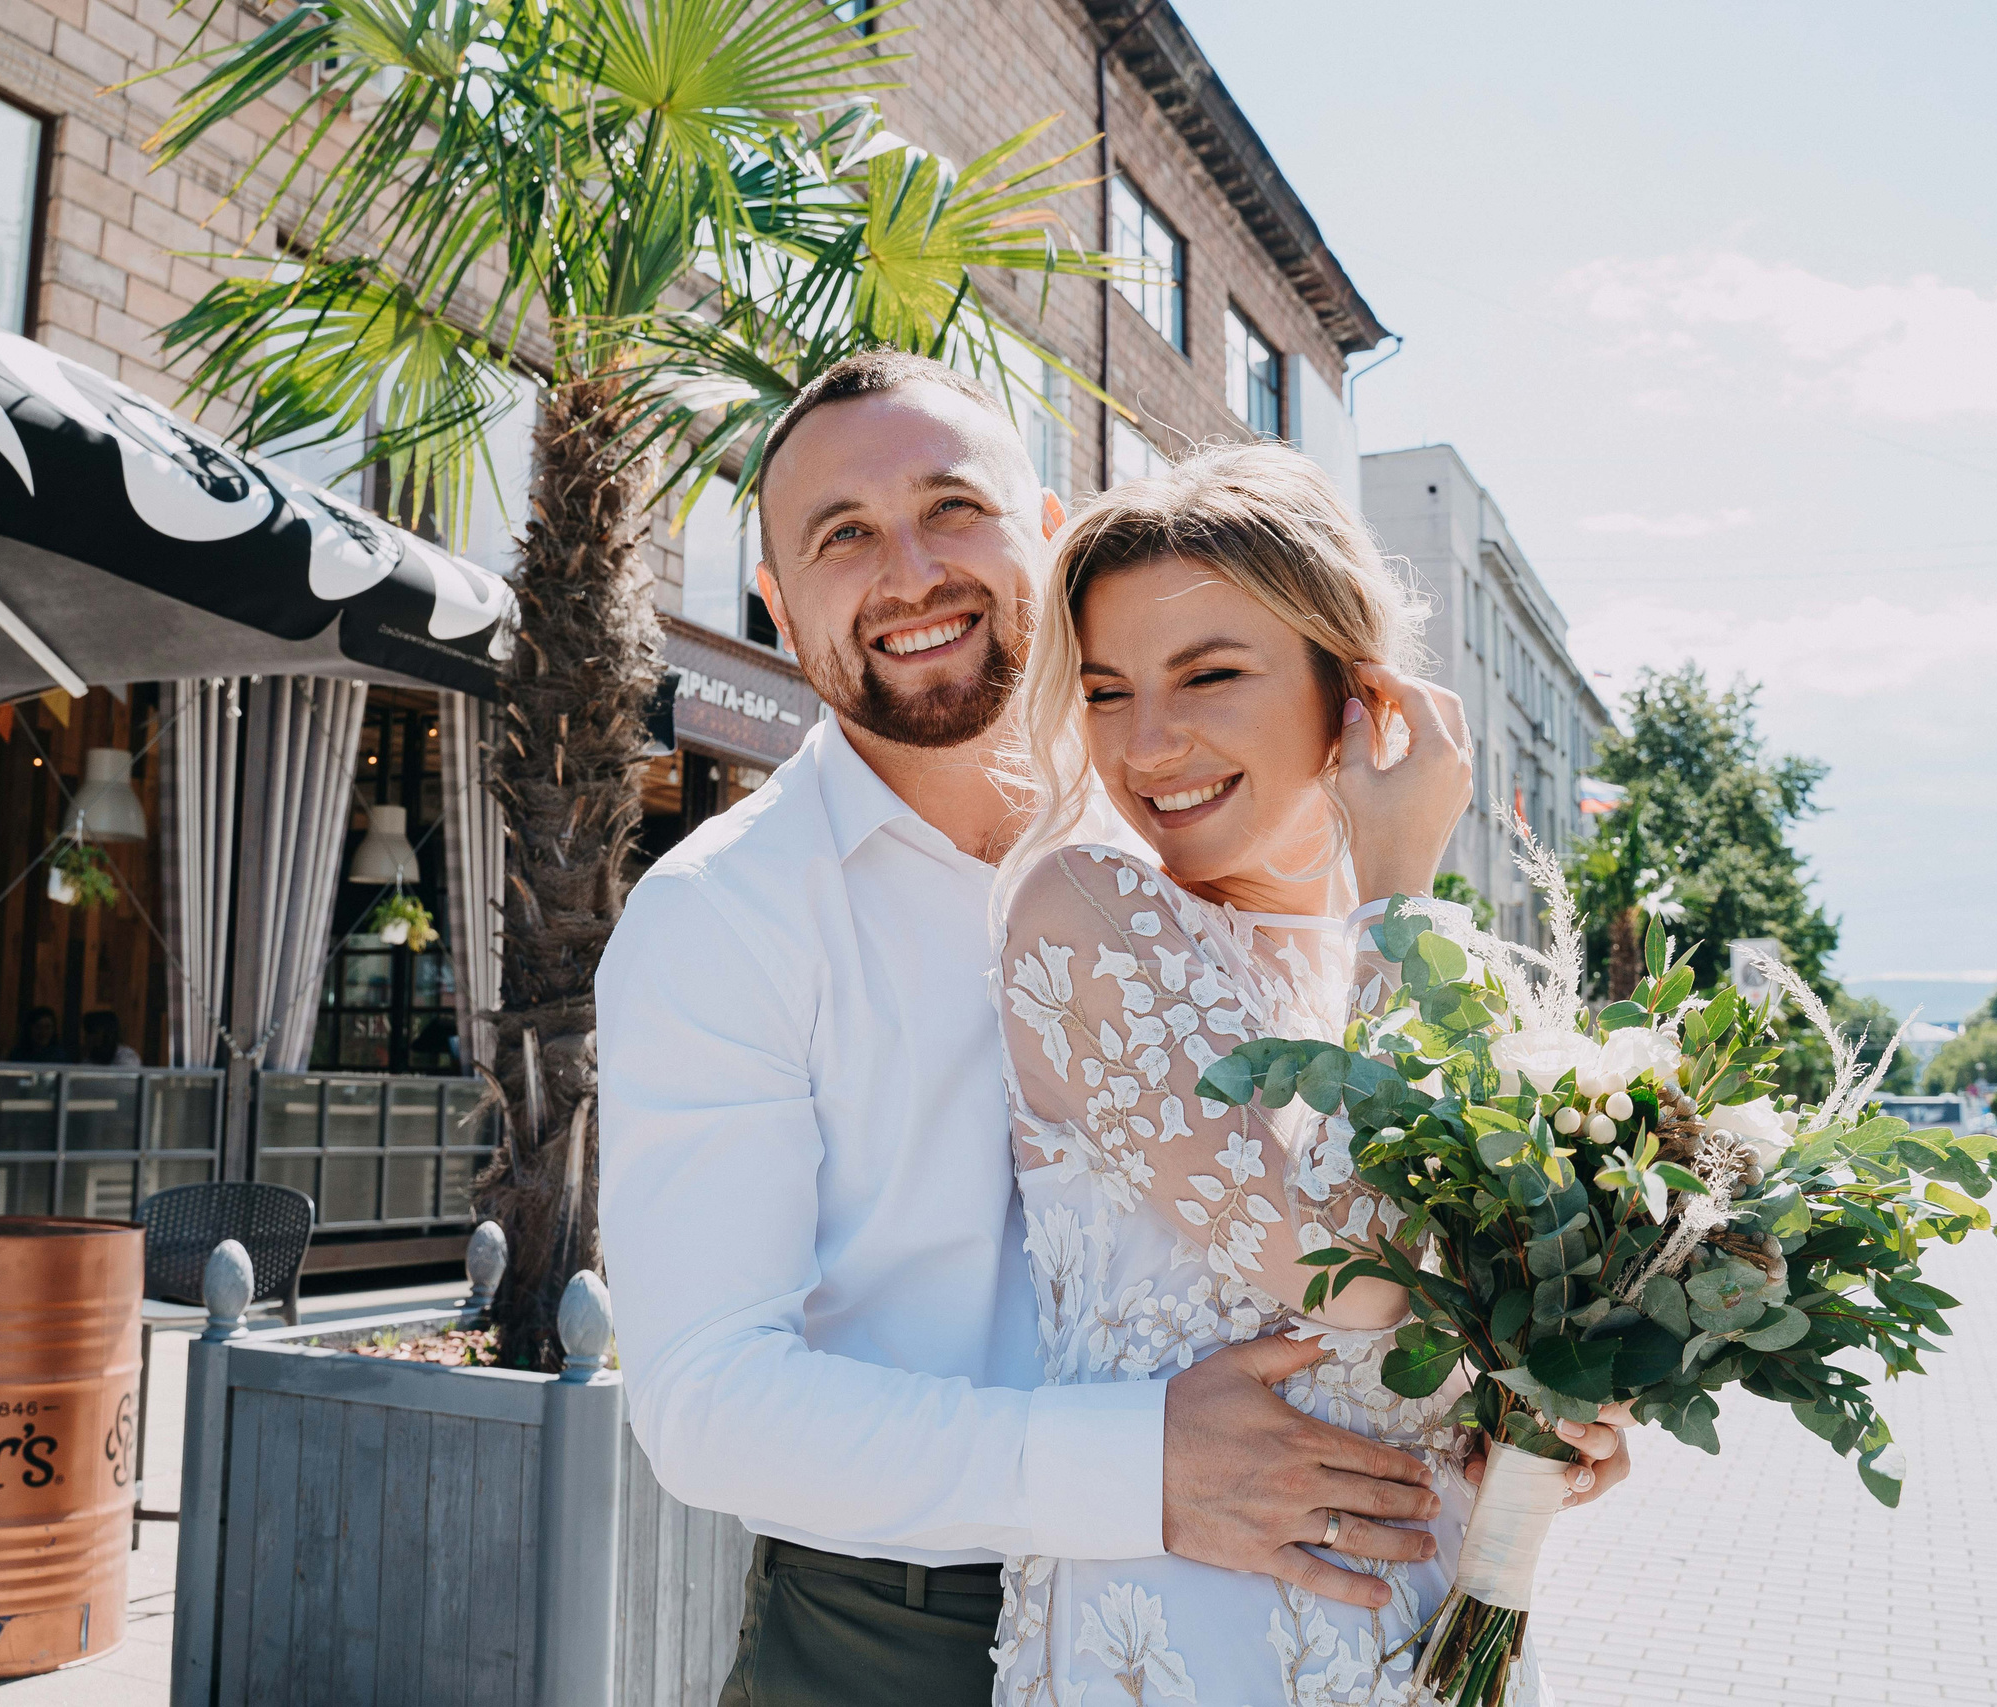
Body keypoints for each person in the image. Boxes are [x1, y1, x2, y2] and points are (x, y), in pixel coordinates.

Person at [595, 353, 1629, 1707]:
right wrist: (1136, 1464)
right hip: (893, 1629)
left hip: (1309, 1586)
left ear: (1045, 533)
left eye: (950, 506)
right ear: (779, 604)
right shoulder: (720, 913)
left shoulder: (1188, 831)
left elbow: (1359, 1239)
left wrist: (1524, 1389)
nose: (907, 570)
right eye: (842, 535)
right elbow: (708, 1405)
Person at [991, 441, 1560, 1701]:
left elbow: (1464, 1319)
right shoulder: (1086, 910)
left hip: (1423, 1624)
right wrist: (1401, 891)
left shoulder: (1404, 972)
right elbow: (1349, 1276)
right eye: (1105, 691)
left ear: (1350, 694)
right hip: (1188, 1642)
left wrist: (1556, 1400)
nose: (1148, 744)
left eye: (1208, 675)